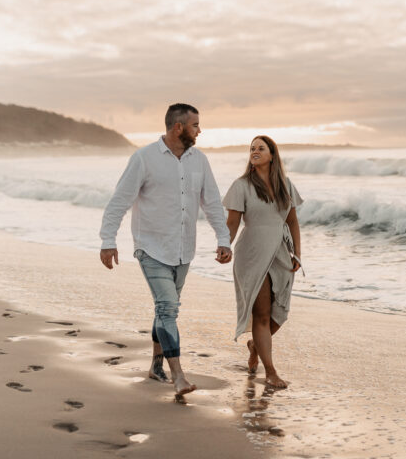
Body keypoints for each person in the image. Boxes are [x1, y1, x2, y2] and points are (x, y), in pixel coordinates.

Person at [99, 103, 232, 397]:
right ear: (178, 127)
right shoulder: (144, 159)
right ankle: (179, 376)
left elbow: (211, 203)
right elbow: (119, 201)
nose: (200, 130)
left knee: (164, 308)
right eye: (196, 125)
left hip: (184, 249)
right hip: (151, 247)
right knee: (168, 308)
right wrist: (108, 241)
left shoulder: (200, 161)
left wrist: (223, 239)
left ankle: (156, 366)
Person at [223, 135, 303, 388]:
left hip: (280, 252)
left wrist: (297, 253)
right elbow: (233, 222)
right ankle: (270, 372)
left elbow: (292, 221)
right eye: (252, 149)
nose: (255, 151)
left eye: (261, 148)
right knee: (261, 315)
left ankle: (254, 345)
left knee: (278, 313)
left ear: (272, 155)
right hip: (252, 252)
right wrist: (224, 245)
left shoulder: (285, 185)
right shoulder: (242, 185)